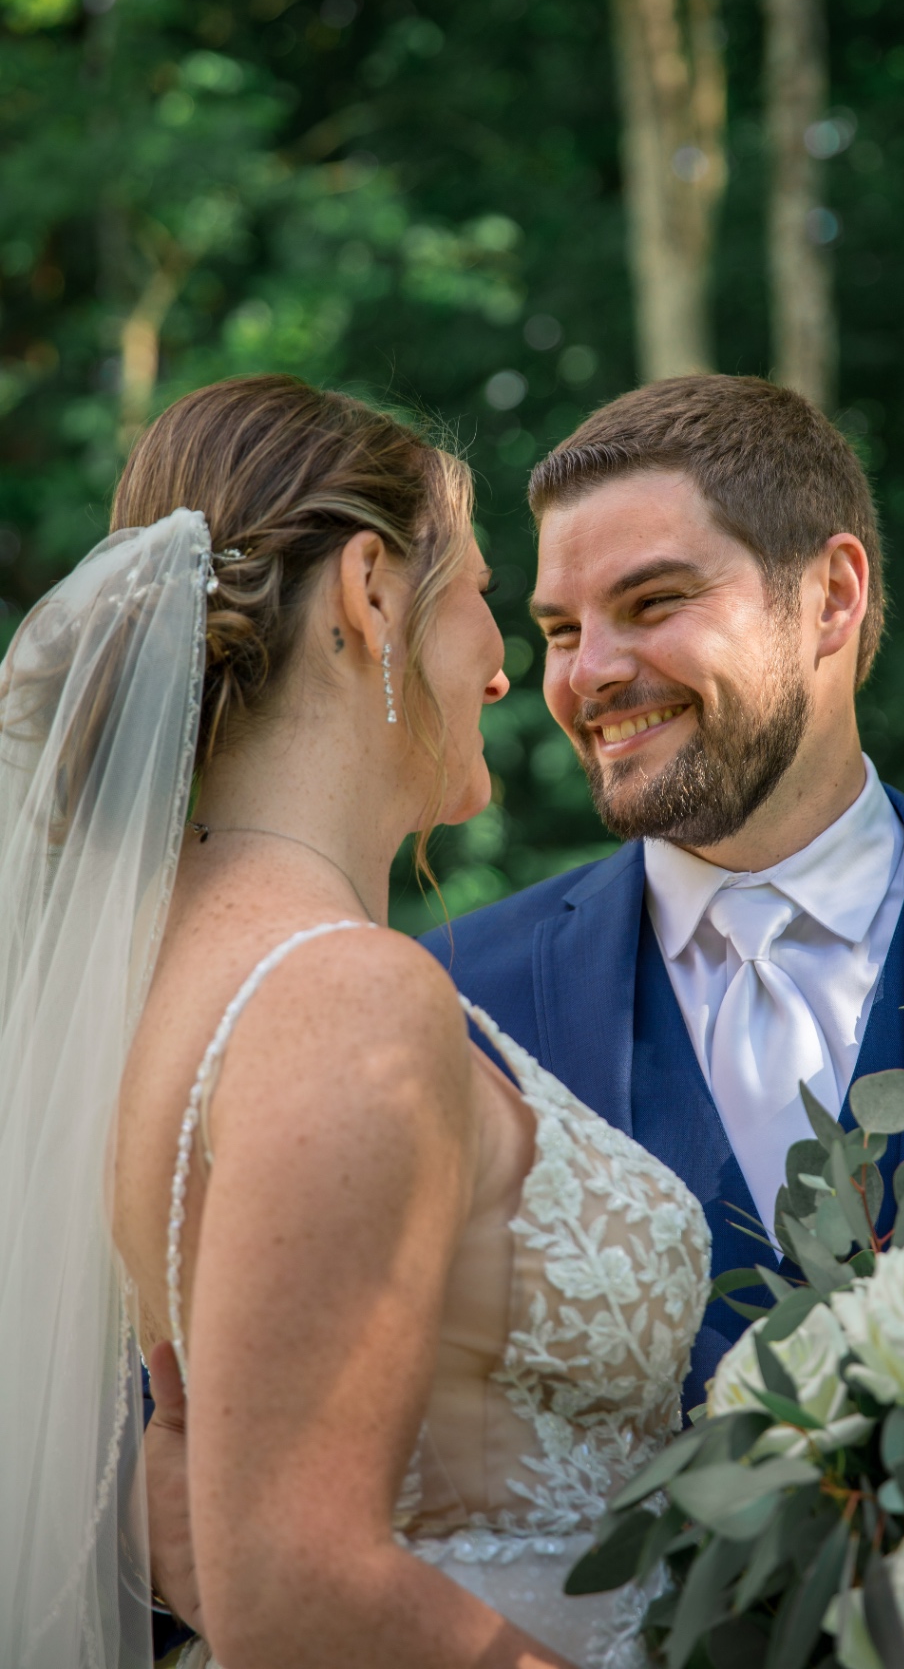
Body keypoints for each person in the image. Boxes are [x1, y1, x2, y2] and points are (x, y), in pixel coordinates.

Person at [0, 374, 710, 1669]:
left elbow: (237, 1516)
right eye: (480, 591)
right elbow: (300, 1592)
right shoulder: (344, 995)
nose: (505, 668)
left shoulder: (161, 972)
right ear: (370, 592)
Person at [418, 373, 904, 1399]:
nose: (588, 674)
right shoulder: (453, 1004)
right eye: (562, 631)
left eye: (652, 602)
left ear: (831, 597)